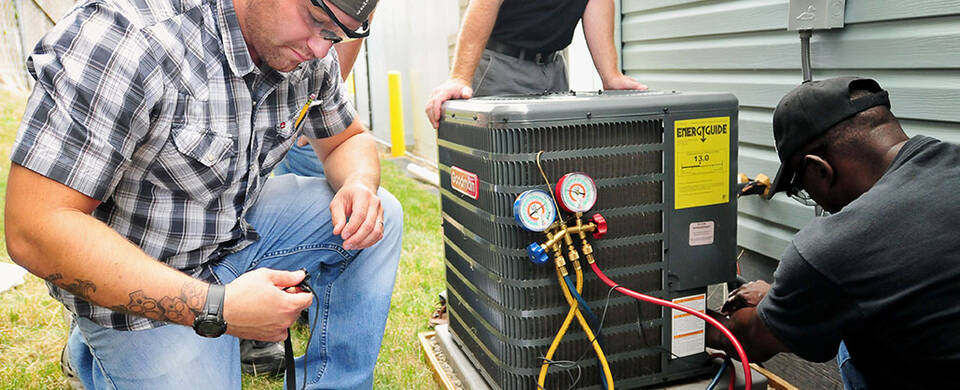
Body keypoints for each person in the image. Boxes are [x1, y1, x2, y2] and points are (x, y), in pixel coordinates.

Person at [5, 0, 402, 388]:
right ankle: (94, 354)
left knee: (381, 212)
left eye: (336, 35)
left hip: (231, 233)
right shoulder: (126, 37)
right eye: (316, 20)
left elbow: (346, 141)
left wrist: (359, 184)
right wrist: (218, 309)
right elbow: (35, 228)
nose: (320, 49)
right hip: (141, 284)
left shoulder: (309, 53)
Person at [705, 77, 960, 388]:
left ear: (819, 168)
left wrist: (680, 323)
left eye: (802, 188)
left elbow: (750, 338)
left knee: (848, 340)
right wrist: (778, 298)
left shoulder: (839, 244)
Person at [424, 0, 647, 128]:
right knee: (503, 165)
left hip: (554, 69)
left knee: (552, 161)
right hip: (502, 67)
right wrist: (460, 78)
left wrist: (611, 75)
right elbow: (484, 4)